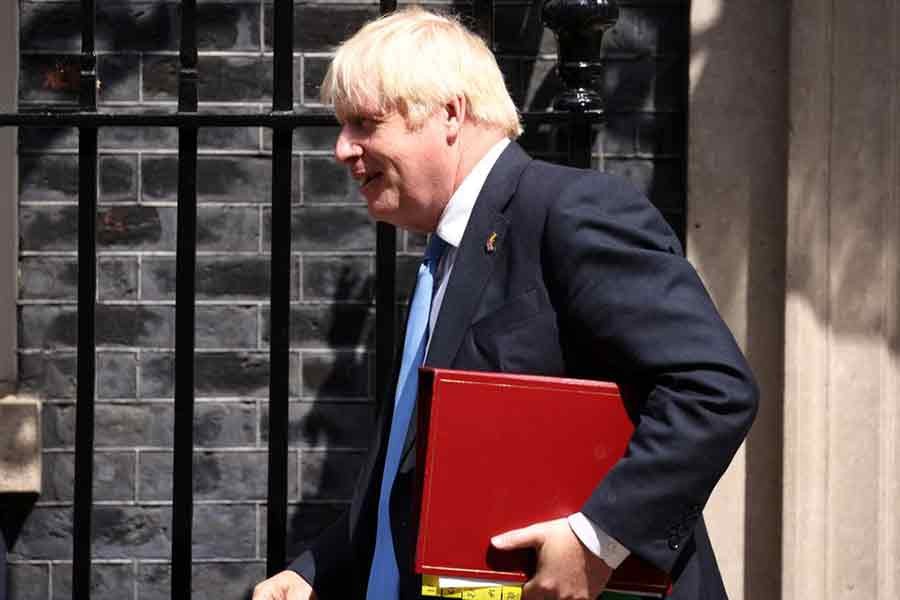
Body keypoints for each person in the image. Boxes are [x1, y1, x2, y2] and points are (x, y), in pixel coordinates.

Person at [253, 8, 758, 600]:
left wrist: (599, 540)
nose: (343, 149)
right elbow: (418, 476)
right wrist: (316, 571)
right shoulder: (443, 259)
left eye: (365, 123)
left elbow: (713, 387)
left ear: (449, 113)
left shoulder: (570, 212)